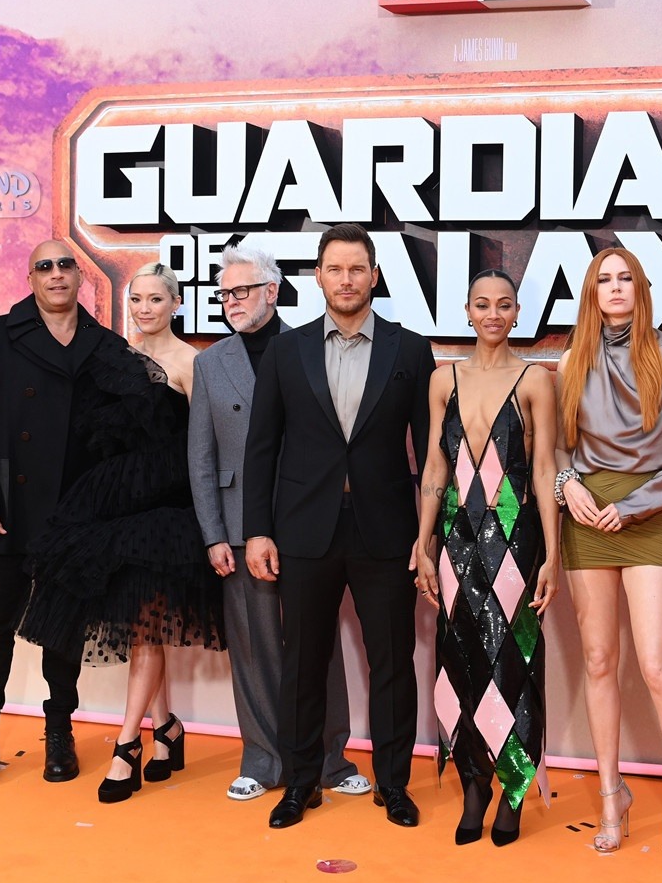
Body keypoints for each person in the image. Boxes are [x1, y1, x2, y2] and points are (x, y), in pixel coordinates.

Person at [244, 223, 436, 830]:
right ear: (318, 277)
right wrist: (257, 529)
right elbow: (261, 448)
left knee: (393, 663)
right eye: (335, 269)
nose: (346, 280)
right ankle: (301, 782)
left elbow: (432, 452)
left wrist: (428, 535)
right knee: (303, 662)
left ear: (374, 276)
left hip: (388, 532)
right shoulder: (286, 351)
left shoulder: (410, 351)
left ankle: (394, 784)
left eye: (357, 269)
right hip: (304, 531)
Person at [16, 262, 225, 803]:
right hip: (109, 503)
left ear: (176, 304)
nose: (144, 309)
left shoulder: (191, 363)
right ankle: (167, 729)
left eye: (156, 299)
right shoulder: (111, 357)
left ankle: (127, 744)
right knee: (140, 627)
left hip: (164, 511)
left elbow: (204, 445)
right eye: (136, 299)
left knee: (145, 628)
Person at [188, 239, 367, 803]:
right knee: (255, 646)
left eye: (242, 291)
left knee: (319, 644)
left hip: (310, 519)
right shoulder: (210, 363)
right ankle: (263, 761)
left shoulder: (312, 346)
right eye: (224, 294)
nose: (232, 302)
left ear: (272, 291)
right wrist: (214, 534)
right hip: (239, 524)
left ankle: (331, 760)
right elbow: (202, 457)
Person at [554, 247, 662, 880]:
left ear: (642, 289)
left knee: (656, 666)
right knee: (598, 661)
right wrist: (569, 484)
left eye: (625, 279)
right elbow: (557, 448)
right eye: (604, 280)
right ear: (591, 293)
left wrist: (637, 505)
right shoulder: (573, 359)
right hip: (586, 517)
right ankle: (610, 796)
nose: (615, 288)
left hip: (645, 517)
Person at [0, 238, 120, 791]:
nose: (56, 273)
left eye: (65, 264)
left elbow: (114, 439)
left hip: (74, 515)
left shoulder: (104, 344)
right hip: (7, 514)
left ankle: (59, 731)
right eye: (44, 266)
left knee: (64, 628)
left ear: (79, 276)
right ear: (31, 279)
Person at [411, 270, 560, 847]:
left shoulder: (535, 380)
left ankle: (513, 788)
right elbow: (434, 466)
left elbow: (544, 469)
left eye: (503, 305)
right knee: (460, 659)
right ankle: (473, 785)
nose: (493, 314)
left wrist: (552, 554)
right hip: (456, 539)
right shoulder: (442, 379)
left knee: (513, 662)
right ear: (467, 312)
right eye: (482, 304)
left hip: (516, 539)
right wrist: (424, 541)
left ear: (517, 314)